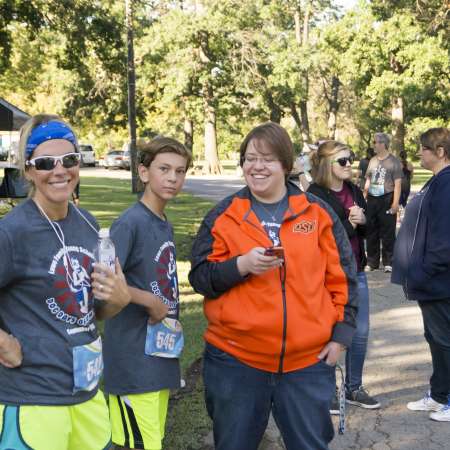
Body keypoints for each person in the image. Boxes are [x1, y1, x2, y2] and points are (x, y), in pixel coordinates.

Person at [189, 122, 358, 450]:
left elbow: (344, 279)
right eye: (249, 158)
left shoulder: (317, 214)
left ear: (286, 164)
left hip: (306, 364)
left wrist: (340, 338)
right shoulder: (223, 215)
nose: (256, 166)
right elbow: (200, 278)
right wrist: (241, 266)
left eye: (266, 158)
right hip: (236, 361)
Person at [0, 114, 131, 450]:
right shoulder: (12, 232)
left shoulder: (88, 223)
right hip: (33, 400)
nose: (59, 171)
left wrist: (118, 298)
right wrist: (3, 343)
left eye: (69, 159)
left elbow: (94, 309)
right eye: (45, 162)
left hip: (86, 393)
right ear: (28, 169)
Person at [103, 137, 192, 450]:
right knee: (136, 444)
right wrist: (149, 301)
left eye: (180, 171)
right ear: (143, 172)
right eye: (164, 169)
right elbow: (104, 282)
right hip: (132, 361)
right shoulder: (129, 223)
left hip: (158, 356)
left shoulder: (162, 221)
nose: (172, 178)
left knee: (153, 441)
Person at [308, 141, 380, 413]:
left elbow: (368, 230)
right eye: (343, 161)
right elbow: (318, 239)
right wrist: (349, 226)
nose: (350, 164)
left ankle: (354, 388)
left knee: (360, 333)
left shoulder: (352, 191)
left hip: (356, 272)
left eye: (350, 159)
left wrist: (361, 224)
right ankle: (326, 392)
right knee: (328, 333)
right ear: (327, 164)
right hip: (326, 275)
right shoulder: (315, 195)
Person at [392, 127, 450, 422]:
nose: (419, 153)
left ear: (440, 152)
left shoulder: (447, 184)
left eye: (424, 149)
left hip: (439, 282)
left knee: (445, 340)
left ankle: (448, 400)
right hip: (431, 283)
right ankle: (439, 394)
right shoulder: (437, 181)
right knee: (435, 338)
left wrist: (424, 272)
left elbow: (444, 239)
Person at [363, 132, 402, 272]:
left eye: (376, 142)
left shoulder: (394, 161)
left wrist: (395, 203)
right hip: (372, 199)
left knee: (388, 231)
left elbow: (398, 184)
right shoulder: (372, 160)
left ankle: (388, 262)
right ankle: (372, 262)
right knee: (371, 230)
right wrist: (364, 197)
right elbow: (368, 180)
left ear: (383, 144)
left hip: (387, 197)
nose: (374, 145)